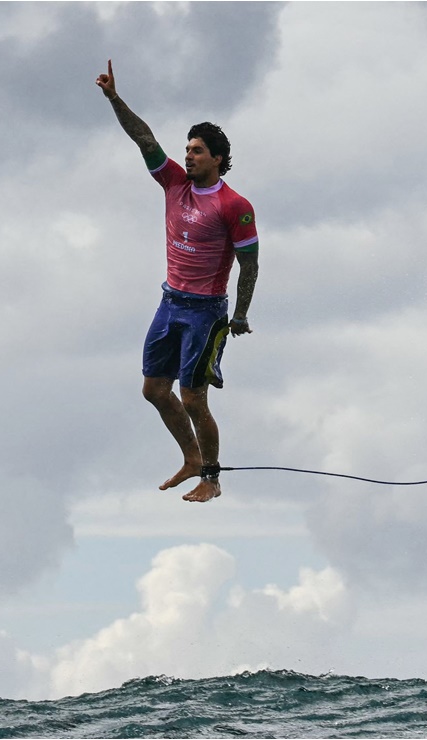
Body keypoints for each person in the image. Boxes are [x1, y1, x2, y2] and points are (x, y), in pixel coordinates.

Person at [95, 60, 261, 504]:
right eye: (187, 149)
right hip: (170, 302)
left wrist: (240, 314)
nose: (188, 155)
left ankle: (211, 476)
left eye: (197, 151)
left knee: (193, 397)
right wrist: (114, 98)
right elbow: (144, 138)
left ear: (218, 159)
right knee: (153, 390)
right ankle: (190, 457)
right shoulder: (173, 183)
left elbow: (250, 264)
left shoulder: (234, 205)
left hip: (206, 313)